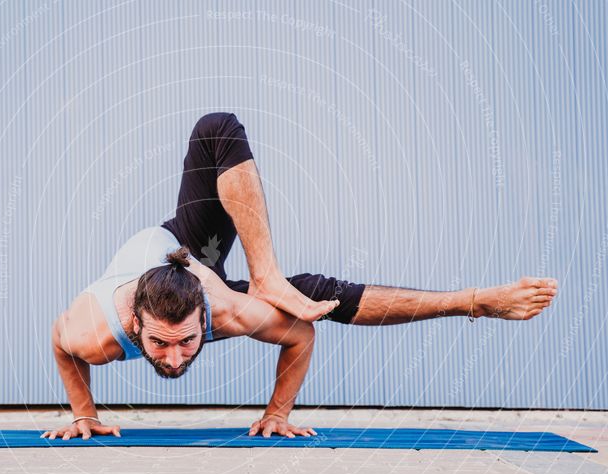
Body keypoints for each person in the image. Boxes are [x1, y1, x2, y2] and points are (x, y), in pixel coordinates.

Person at [42, 113, 557, 440]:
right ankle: (467, 300)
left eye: (187, 342)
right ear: (134, 322)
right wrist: (83, 413)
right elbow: (59, 342)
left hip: (189, 253)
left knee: (216, 129)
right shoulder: (94, 331)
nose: (175, 358)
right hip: (173, 260)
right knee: (313, 296)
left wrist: (278, 412)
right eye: (162, 344)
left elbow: (300, 334)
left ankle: (269, 276)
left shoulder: (226, 309)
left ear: (208, 319)